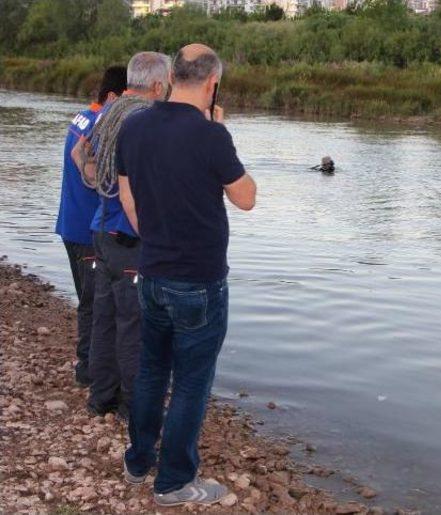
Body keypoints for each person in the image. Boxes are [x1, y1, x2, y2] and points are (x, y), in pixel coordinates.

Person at [117, 43, 256, 506]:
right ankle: (174, 481)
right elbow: (246, 197)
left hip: (152, 272)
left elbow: (128, 198)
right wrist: (222, 131)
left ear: (172, 76)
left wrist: (155, 238)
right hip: (199, 279)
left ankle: (139, 462)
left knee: (152, 371)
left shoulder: (133, 125)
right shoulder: (211, 136)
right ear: (213, 83)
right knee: (193, 382)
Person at [76, 52, 171, 419]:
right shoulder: (143, 120)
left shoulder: (107, 114)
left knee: (105, 318)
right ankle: (134, 407)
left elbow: (80, 157)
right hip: (128, 235)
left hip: (102, 229)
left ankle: (101, 398)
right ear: (159, 85)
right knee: (133, 326)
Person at [55, 66, 127, 387]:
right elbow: (97, 174)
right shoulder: (102, 123)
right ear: (112, 97)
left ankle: (90, 367)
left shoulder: (82, 117)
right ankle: (89, 369)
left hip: (71, 223)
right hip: (87, 229)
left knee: (88, 300)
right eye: (126, 100)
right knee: (93, 304)